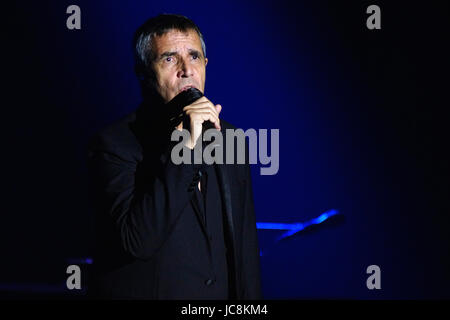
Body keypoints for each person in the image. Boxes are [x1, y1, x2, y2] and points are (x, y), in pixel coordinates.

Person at [87, 14, 261, 299]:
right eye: (169, 59)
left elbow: (246, 251)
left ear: (206, 65)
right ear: (144, 72)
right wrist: (187, 146)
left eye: (194, 57)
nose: (186, 70)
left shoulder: (230, 138)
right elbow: (138, 241)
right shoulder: (113, 144)